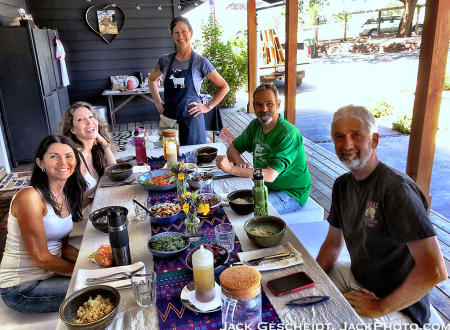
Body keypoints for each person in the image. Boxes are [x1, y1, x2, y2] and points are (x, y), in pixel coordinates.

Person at [316, 105, 447, 326]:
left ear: (374, 140)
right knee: (308, 297)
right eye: (339, 137)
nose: (346, 145)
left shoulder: (395, 190)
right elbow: (332, 246)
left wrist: (379, 307)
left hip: (399, 304)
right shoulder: (342, 185)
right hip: (360, 279)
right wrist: (309, 281)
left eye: (356, 135)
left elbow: (434, 270)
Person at [0, 135, 87, 313]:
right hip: (21, 288)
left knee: (109, 277)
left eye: (69, 156)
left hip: (50, 275)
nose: (63, 162)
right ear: (41, 163)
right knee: (105, 289)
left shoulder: (64, 196)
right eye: (54, 156)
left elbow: (64, 248)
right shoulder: (30, 197)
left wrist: (90, 262)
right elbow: (41, 258)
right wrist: (82, 274)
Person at [216, 84, 310, 214]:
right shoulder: (256, 125)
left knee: (244, 210)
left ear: (278, 104)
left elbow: (270, 175)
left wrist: (231, 168)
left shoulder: (288, 133)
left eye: (269, 104)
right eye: (259, 104)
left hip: (291, 193)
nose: (264, 109)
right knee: (222, 204)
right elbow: (232, 148)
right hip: (263, 186)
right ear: (254, 106)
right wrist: (239, 161)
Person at [148, 16, 229, 145]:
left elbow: (224, 87)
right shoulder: (165, 60)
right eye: (176, 32)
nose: (180, 36)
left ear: (191, 33)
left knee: (194, 160)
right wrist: (157, 102)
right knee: (169, 159)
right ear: (172, 35)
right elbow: (151, 80)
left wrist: (207, 107)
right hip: (168, 120)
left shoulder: (201, 62)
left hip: (192, 122)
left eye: (184, 31)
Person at [60, 101, 116, 206]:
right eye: (81, 119)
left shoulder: (94, 148)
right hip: (80, 216)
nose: (89, 122)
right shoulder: (75, 158)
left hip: (95, 206)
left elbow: (114, 169)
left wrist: (104, 143)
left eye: (91, 117)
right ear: (73, 129)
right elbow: (75, 204)